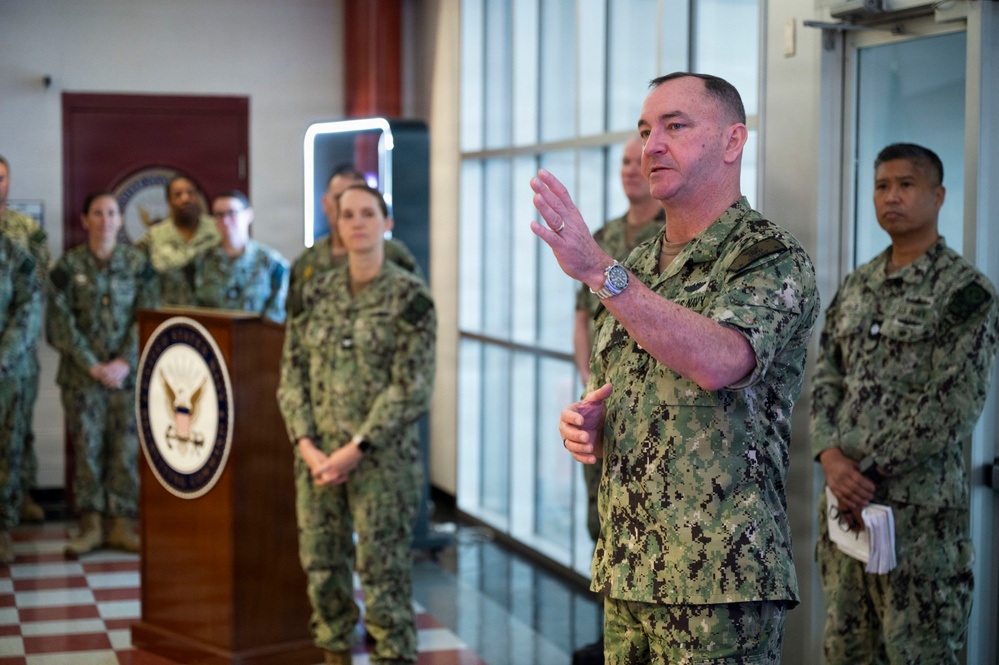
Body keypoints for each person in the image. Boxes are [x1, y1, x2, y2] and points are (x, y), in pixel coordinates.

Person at [530, 72, 819, 664]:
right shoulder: (638, 265)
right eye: (644, 130)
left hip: (718, 583)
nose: (650, 145)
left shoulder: (768, 257)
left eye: (674, 126)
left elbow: (721, 361)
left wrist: (600, 273)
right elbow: (622, 388)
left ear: (733, 141)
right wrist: (590, 423)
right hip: (630, 571)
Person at [810, 143, 998, 665]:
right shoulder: (857, 284)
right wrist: (831, 458)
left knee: (919, 654)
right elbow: (826, 375)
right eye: (881, 186)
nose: (892, 196)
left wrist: (863, 469)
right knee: (846, 651)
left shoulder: (965, 293)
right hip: (848, 519)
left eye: (906, 185)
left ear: (938, 196)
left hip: (919, 527)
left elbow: (954, 405)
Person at [278, 184, 436, 665]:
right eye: (348, 215)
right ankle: (333, 652)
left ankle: (393, 655)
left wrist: (358, 448)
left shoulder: (410, 298)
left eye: (368, 213)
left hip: (382, 463)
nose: (358, 222)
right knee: (323, 568)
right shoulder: (314, 293)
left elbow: (411, 386)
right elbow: (291, 374)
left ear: (387, 224)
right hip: (318, 459)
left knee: (383, 573)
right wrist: (306, 445)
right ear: (337, 226)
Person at [570, 134, 664, 665]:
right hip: (606, 398)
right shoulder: (603, 236)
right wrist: (590, 380)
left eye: (639, 159)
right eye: (626, 161)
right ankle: (613, 630)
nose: (633, 168)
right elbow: (583, 317)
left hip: (651, 407)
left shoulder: (669, 237)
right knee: (601, 520)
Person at [46, 193, 160, 557]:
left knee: (126, 451)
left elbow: (149, 314)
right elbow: (58, 323)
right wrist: (92, 364)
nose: (106, 219)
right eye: (97, 213)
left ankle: (121, 526)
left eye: (112, 213)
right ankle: (91, 526)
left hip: (127, 378)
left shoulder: (138, 264)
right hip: (83, 379)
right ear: (84, 220)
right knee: (88, 450)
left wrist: (124, 362)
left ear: (121, 220)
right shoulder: (67, 266)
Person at [286, 166, 422, 319]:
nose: (357, 221)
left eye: (366, 212)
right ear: (325, 203)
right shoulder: (308, 260)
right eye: (340, 198)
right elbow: (294, 318)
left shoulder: (394, 255)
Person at [0, 155, 50, 524]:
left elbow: (37, 287)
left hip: (17, 355)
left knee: (17, 433)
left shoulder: (26, 229)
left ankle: (18, 498)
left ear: (10, 182)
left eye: (1, 178)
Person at [0, 233, 42, 564]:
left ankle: (2, 529)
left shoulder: (14, 251)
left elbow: (29, 307)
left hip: (8, 373)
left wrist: (2, 358)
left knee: (6, 452)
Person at [192, 190, 289, 323]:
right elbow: (192, 311)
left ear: (249, 215)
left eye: (232, 213)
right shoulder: (199, 261)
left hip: (258, 340)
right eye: (219, 215)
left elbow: (277, 315)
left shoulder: (272, 263)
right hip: (212, 339)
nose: (225, 220)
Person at [134, 174, 220, 306]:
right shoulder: (155, 235)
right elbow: (133, 266)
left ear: (197, 197)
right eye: (178, 195)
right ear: (169, 201)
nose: (185, 199)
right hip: (169, 313)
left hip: (213, 312)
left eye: (190, 193)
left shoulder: (217, 230)